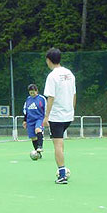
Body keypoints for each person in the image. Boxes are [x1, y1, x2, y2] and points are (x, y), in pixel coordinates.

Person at [42, 48, 76, 184]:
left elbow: (51, 97)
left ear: (48, 60)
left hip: (56, 116)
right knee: (60, 143)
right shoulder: (70, 74)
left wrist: (46, 116)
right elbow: (74, 94)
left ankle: (62, 174)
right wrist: (72, 110)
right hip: (68, 114)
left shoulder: (52, 76)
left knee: (58, 144)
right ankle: (62, 170)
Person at [22, 84, 46, 157]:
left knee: (38, 130)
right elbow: (25, 110)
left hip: (39, 118)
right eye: (30, 92)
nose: (32, 94)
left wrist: (46, 118)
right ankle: (38, 153)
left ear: (37, 91)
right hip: (30, 120)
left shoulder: (42, 98)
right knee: (33, 137)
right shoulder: (28, 99)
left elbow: (46, 108)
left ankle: (40, 146)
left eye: (33, 92)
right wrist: (25, 120)